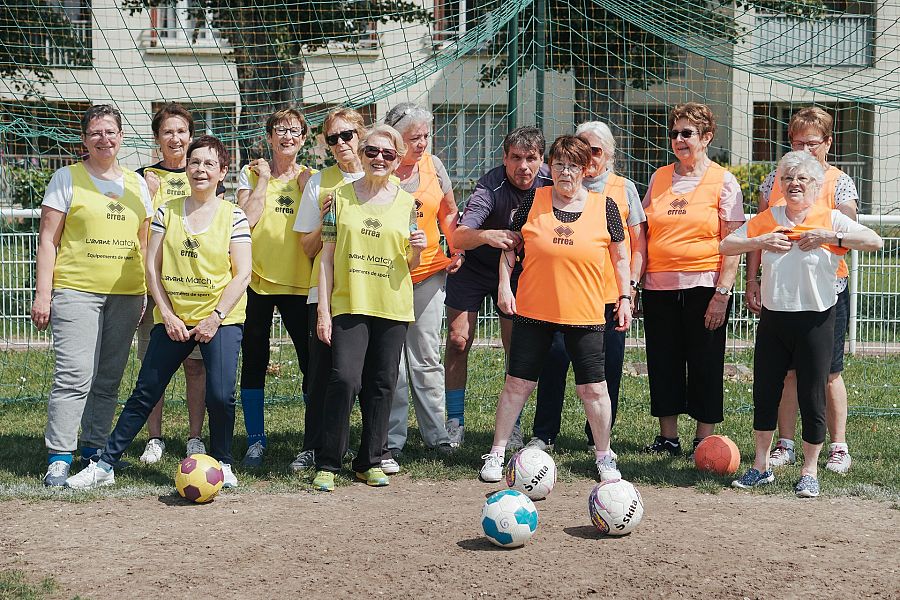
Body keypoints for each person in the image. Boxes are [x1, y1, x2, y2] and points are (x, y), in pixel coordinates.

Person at [64, 135, 252, 490]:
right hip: (175, 318)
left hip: (221, 319)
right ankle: (105, 465)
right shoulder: (168, 211)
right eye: (195, 163)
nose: (200, 169)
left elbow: (242, 272)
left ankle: (223, 463)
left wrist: (215, 317)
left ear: (222, 171)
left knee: (220, 394)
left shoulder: (235, 215)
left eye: (209, 164)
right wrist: (166, 314)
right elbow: (151, 267)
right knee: (145, 391)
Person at [722, 151, 881, 497]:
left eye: (802, 179)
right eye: (788, 179)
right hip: (775, 318)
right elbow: (726, 244)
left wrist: (830, 238)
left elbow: (874, 241)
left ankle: (809, 471)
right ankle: (760, 466)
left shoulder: (829, 219)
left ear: (815, 185)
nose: (794, 184)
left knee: (812, 394)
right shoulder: (770, 218)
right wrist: (760, 241)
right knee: (765, 392)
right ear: (780, 185)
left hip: (817, 318)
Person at [479, 135, 632, 483]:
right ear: (552, 166)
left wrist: (625, 297)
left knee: (593, 389)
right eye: (560, 164)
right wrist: (505, 284)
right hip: (534, 309)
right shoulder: (535, 198)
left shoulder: (605, 206)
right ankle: (498, 451)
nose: (566, 172)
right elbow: (510, 248)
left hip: (586, 312)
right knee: (517, 383)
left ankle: (604, 455)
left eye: (574, 165)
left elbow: (621, 257)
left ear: (585, 170)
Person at [31, 105, 153, 487]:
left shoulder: (137, 184)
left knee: (108, 378)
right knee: (74, 376)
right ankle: (59, 456)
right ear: (84, 139)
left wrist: (147, 289)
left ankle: (94, 451)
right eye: (96, 132)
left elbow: (145, 242)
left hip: (127, 294)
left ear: (121, 137)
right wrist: (43, 294)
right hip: (76, 291)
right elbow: (48, 241)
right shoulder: (66, 178)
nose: (104, 139)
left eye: (111, 132)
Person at [745, 107, 861, 474]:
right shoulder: (775, 179)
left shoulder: (838, 182)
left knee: (827, 372)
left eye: (813, 143)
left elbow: (852, 231)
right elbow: (756, 236)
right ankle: (785, 443)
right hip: (781, 293)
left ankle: (838, 446)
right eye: (798, 143)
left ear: (828, 143)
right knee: (787, 374)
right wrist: (753, 280)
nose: (806, 149)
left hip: (825, 291)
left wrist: (827, 234)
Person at [312, 124, 425, 492]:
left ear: (397, 161)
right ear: (361, 155)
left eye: (388, 154)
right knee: (344, 379)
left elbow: (409, 264)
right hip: (349, 302)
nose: (379, 159)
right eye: (372, 152)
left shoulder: (409, 204)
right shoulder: (337, 199)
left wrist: (420, 250)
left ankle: (369, 461)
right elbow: (326, 259)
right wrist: (324, 311)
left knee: (381, 384)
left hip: (392, 306)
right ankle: (329, 461)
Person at [526, 121, 646, 452]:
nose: (588, 156)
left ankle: (599, 440)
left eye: (595, 150)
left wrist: (630, 290)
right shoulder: (552, 188)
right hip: (562, 299)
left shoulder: (623, 189)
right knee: (553, 365)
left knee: (606, 372)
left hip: (607, 299)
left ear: (608, 155)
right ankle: (544, 433)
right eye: (582, 148)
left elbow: (637, 245)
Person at [444, 126, 566, 450]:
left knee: (517, 348)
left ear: (542, 160)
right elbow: (458, 236)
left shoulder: (551, 186)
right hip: (472, 268)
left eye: (531, 158)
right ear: (504, 158)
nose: (523, 166)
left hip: (519, 273)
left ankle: (512, 425)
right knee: (458, 340)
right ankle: (454, 422)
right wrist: (486, 235)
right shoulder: (490, 185)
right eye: (515, 158)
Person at [641, 102, 745, 457]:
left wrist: (723, 293)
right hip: (659, 288)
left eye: (687, 133)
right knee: (663, 361)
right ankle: (668, 438)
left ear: (706, 137)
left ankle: (704, 440)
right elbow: (644, 233)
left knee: (705, 362)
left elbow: (733, 243)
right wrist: (636, 285)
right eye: (675, 133)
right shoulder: (658, 178)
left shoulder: (724, 181)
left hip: (705, 287)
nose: (679, 140)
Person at [135, 103, 220, 464]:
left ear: (189, 136)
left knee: (195, 365)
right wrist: (150, 196)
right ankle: (154, 439)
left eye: (181, 131)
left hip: (194, 289)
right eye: (167, 131)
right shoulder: (141, 177)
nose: (175, 137)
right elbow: (138, 232)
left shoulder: (200, 173)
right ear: (157, 139)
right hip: (155, 288)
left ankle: (194, 437)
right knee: (153, 365)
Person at [381, 102, 462, 472]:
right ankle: (393, 439)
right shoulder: (381, 167)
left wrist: (455, 245)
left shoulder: (434, 166)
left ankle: (437, 435)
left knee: (426, 355)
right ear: (396, 138)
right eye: (415, 138)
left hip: (428, 272)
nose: (423, 144)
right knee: (392, 363)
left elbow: (448, 210)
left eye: (426, 136)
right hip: (386, 275)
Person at [289, 107, 367, 472]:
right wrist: (327, 219)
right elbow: (306, 247)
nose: (340, 144)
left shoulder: (379, 176)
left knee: (367, 376)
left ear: (361, 135)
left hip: (370, 290)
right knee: (320, 373)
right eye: (332, 139)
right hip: (323, 292)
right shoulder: (320, 183)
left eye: (346, 135)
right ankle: (314, 446)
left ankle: (371, 451)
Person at [236, 108, 315, 468]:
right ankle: (255, 440)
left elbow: (321, 228)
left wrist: (308, 192)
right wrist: (264, 181)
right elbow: (245, 220)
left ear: (303, 139)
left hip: (300, 285)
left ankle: (312, 440)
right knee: (254, 360)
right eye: (281, 130)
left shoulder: (311, 179)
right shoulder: (252, 174)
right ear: (269, 137)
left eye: (295, 131)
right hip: (256, 282)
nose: (288, 136)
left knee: (311, 364)